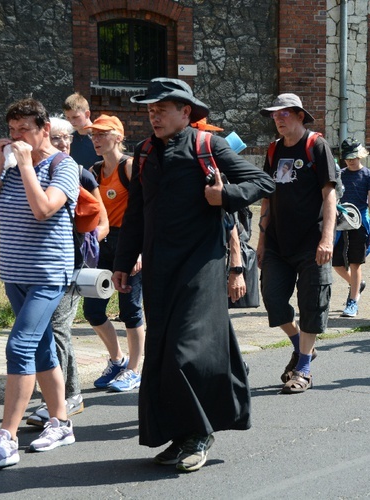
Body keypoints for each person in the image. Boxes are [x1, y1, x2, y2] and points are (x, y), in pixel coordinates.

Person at [113, 78, 274, 472]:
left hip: (201, 266)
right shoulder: (145, 151)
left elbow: (262, 181)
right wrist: (122, 261)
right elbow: (136, 212)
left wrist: (225, 197)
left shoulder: (208, 146)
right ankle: (181, 435)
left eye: (161, 109)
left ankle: (200, 433)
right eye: (149, 110)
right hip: (158, 267)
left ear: (186, 112)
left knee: (187, 351)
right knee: (163, 354)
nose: (154, 116)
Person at [0, 98, 80, 467]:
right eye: (12, 130)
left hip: (49, 274)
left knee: (19, 346)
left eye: (25, 130)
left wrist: (27, 164)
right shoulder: (11, 166)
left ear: (44, 129)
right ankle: (61, 422)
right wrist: (1, 161)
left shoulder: (64, 166)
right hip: (16, 273)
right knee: (41, 348)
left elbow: (43, 209)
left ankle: (7, 438)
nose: (17, 137)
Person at [24, 116, 109, 427]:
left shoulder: (82, 175)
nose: (60, 144)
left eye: (65, 139)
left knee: (58, 328)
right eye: (55, 139)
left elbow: (103, 225)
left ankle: (71, 397)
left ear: (72, 142)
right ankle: (57, 397)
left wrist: (79, 244)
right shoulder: (35, 174)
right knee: (44, 330)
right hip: (42, 267)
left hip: (73, 267)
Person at [257, 93, 339, 394]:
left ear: (300, 116)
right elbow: (267, 195)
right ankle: (302, 347)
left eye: (285, 114)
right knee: (274, 300)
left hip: (312, 242)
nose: (278, 119)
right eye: (275, 115)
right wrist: (262, 239)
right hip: (278, 241)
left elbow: (329, 194)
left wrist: (328, 238)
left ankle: (303, 368)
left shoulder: (316, 146)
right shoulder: (273, 150)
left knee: (312, 304)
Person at [82, 114, 146, 392]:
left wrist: (140, 250)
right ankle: (117, 360)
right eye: (93, 135)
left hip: (129, 241)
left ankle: (135, 368)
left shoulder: (129, 167)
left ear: (118, 137)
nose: (96, 140)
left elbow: (146, 210)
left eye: (102, 134)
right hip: (102, 242)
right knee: (92, 309)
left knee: (130, 309)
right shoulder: (93, 171)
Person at [334, 138, 370, 317]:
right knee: (337, 263)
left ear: (360, 155)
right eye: (347, 158)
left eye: (353, 157)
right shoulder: (340, 174)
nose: (350, 161)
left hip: (360, 224)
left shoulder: (368, 176)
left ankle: (352, 302)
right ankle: (357, 284)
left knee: (355, 263)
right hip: (340, 223)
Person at [63, 92, 101, 170]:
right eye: (68, 117)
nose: (71, 121)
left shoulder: (101, 136)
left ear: (87, 114)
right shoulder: (69, 139)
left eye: (75, 117)